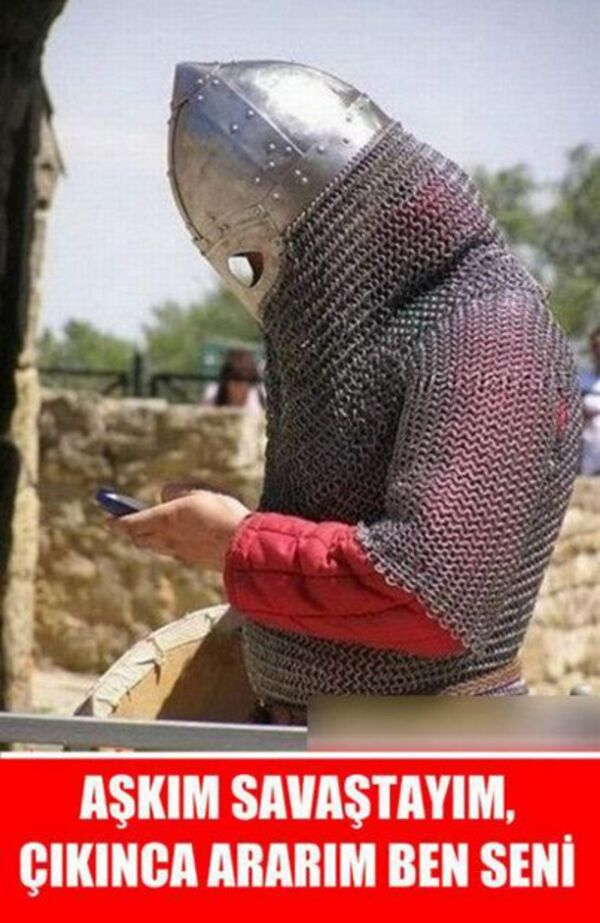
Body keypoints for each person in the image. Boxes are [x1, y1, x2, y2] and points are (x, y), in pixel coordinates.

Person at [110, 60, 582, 720]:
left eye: (260, 254)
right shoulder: (380, 331)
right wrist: (242, 527)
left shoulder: (491, 332)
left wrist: (237, 543)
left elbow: (431, 591)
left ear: (331, 218)